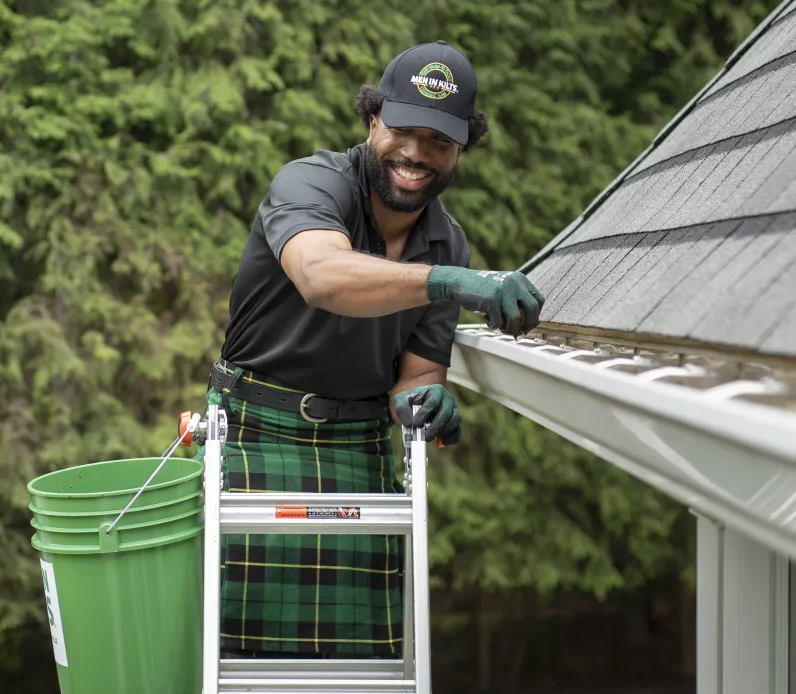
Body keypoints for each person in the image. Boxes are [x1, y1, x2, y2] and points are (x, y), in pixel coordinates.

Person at [203, 39, 546, 659]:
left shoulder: (449, 245)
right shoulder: (312, 182)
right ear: (372, 122)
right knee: (231, 659)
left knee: (360, 664)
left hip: (358, 449)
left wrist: (427, 402)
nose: (416, 153)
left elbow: (413, 380)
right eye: (403, 130)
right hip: (255, 437)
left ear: (461, 149)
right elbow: (323, 277)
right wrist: (447, 282)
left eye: (439, 141)